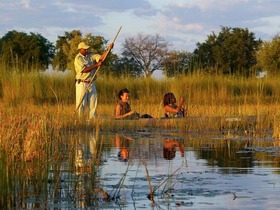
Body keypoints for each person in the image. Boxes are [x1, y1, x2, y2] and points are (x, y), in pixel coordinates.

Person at [74, 41, 114, 120]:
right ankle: (79, 121)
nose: (86, 50)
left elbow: (101, 58)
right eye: (85, 49)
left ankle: (92, 121)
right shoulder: (78, 58)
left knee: (93, 103)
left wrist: (108, 49)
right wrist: (96, 65)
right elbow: (84, 70)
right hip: (82, 83)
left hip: (91, 82)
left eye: (87, 49)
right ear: (80, 49)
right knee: (81, 104)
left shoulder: (90, 55)